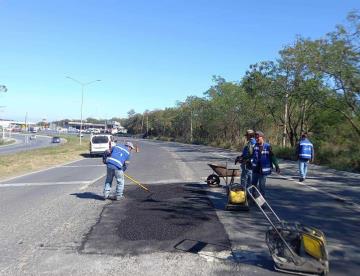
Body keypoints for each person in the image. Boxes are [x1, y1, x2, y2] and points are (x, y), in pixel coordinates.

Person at [251, 131, 280, 197]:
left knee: (262, 186)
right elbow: (252, 156)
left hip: (263, 171)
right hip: (255, 169)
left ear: (262, 137)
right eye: (256, 138)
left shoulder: (268, 146)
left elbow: (272, 157)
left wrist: (277, 166)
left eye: (258, 138)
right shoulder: (255, 146)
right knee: (253, 185)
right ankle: (253, 198)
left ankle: (262, 201)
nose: (256, 139)